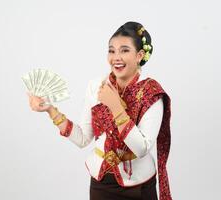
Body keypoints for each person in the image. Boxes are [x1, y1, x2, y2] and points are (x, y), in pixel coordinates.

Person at [27, 21, 172, 200]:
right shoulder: (96, 86)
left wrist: (115, 106)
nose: (116, 57)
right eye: (111, 50)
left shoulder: (151, 93)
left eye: (125, 50)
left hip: (139, 185)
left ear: (139, 55)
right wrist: (50, 110)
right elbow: (83, 139)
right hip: (100, 183)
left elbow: (141, 148)